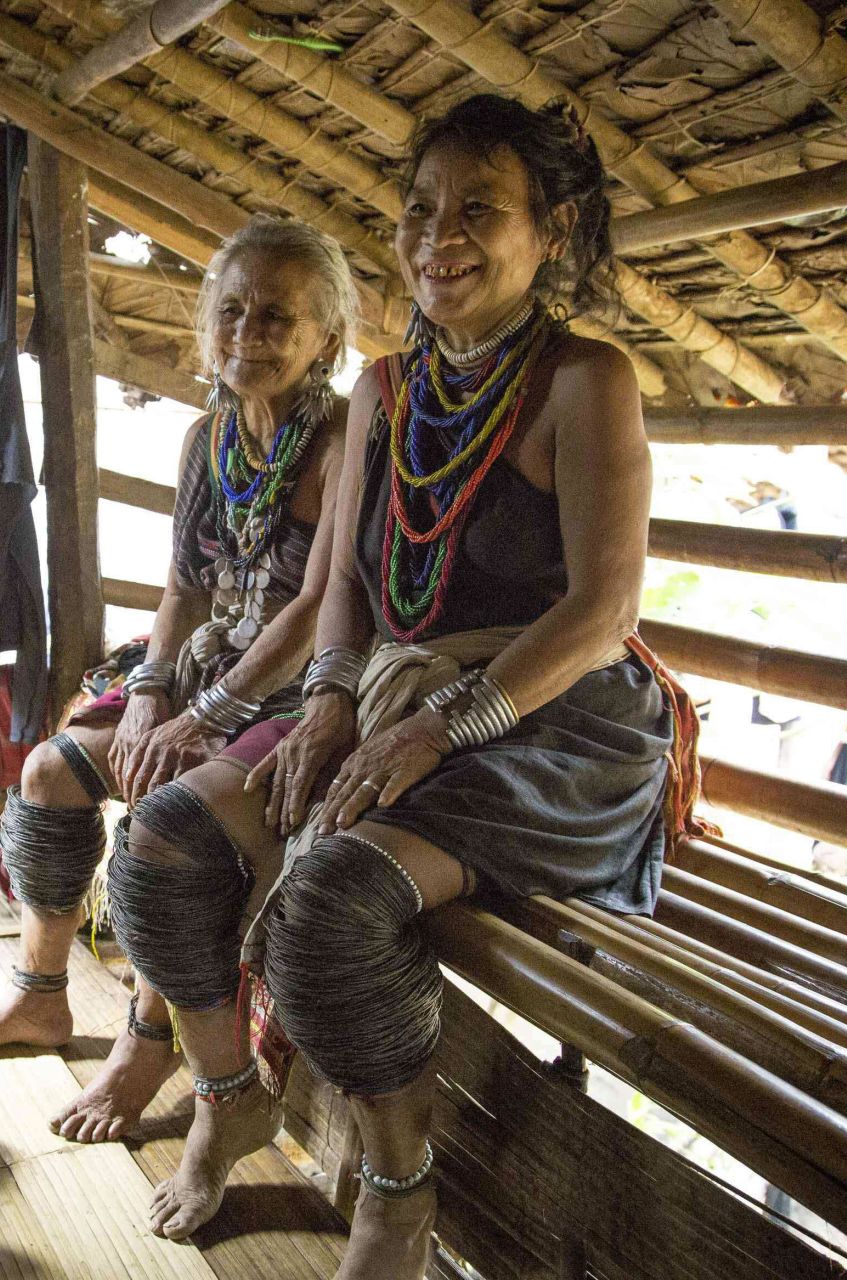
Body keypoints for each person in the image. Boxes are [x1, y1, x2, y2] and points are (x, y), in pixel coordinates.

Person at [105, 95, 679, 1279]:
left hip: (548, 725)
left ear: (552, 231)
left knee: (328, 910)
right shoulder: (381, 388)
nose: (436, 237)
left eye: (480, 210)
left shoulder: (587, 379)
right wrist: (323, 703)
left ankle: (397, 1184)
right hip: (384, 703)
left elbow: (601, 612)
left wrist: (437, 725)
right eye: (421, 210)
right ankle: (228, 1094)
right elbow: (354, 577)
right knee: (158, 846)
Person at [0, 216, 359, 1145]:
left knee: (166, 811)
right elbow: (185, 585)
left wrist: (205, 714)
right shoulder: (209, 440)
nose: (248, 335)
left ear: (328, 337)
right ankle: (40, 997)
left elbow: (320, 599)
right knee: (47, 773)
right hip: (204, 676)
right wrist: (156, 691)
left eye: (278, 317)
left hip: (299, 687)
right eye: (232, 312)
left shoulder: (342, 440)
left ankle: (147, 1039)